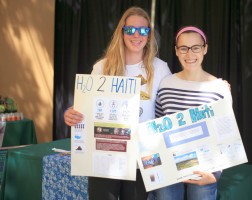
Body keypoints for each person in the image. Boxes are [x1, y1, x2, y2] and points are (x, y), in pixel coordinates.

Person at [63, 6, 171, 200]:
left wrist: (216, 85)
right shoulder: (102, 67)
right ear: (121, 33)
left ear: (149, 34)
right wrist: (73, 114)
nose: (136, 35)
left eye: (143, 30)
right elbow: (86, 109)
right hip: (104, 156)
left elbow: (174, 101)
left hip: (142, 158)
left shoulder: (160, 68)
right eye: (130, 30)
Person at [150, 26, 232, 200]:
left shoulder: (219, 89)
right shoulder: (166, 85)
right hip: (168, 167)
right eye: (183, 48)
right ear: (176, 51)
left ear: (205, 49)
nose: (190, 54)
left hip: (205, 168)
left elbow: (226, 136)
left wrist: (215, 174)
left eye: (196, 47)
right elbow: (157, 126)